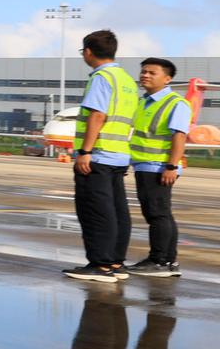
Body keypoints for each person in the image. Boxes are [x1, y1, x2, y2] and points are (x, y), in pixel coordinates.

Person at [64, 29, 140, 283]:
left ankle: (100, 264)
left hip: (99, 155)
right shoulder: (127, 80)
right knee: (118, 211)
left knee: (96, 211)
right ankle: (116, 262)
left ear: (87, 52)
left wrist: (85, 151)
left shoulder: (102, 77)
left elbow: (97, 115)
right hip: (119, 155)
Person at [128, 57, 190, 278]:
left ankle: (159, 260)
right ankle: (169, 261)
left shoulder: (176, 102)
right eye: (144, 71)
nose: (145, 75)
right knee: (160, 214)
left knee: (157, 214)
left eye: (152, 72)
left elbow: (179, 136)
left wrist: (171, 166)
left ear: (167, 78)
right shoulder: (144, 101)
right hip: (144, 165)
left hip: (159, 167)